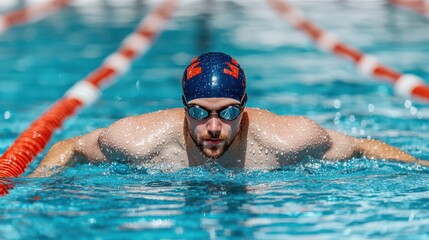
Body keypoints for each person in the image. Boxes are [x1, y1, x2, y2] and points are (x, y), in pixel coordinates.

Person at [29, 52, 428, 177]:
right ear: (185, 108)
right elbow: (71, 146)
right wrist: (33, 186)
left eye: (229, 112)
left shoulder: (287, 139)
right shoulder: (136, 141)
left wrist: (421, 166)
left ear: (245, 106)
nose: (215, 127)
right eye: (200, 112)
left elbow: (361, 147)